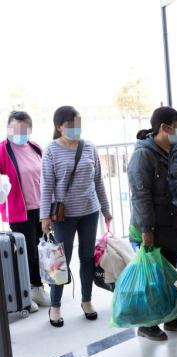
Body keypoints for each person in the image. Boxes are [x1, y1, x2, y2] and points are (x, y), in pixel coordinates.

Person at [40, 106, 112, 327]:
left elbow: (98, 180)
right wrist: (45, 217)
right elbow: (46, 186)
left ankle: (87, 300)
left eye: (78, 124)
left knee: (87, 257)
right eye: (71, 125)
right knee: (60, 261)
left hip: (89, 211)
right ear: (59, 127)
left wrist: (106, 209)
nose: (76, 129)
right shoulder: (51, 150)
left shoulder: (89, 147)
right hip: (64, 215)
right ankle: (55, 306)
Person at [128, 106, 177, 341]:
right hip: (153, 228)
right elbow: (140, 195)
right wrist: (147, 229)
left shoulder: (175, 151)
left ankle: (172, 318)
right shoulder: (143, 155)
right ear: (164, 128)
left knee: (170, 275)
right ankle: (147, 323)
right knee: (152, 280)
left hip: (173, 225)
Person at [0, 111, 50, 312]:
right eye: (15, 128)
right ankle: (25, 293)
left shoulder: (35, 147)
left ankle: (38, 288)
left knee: (40, 251)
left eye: (23, 129)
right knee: (26, 252)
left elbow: (46, 175)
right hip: (20, 211)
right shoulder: (2, 150)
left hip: (41, 208)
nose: (19, 133)